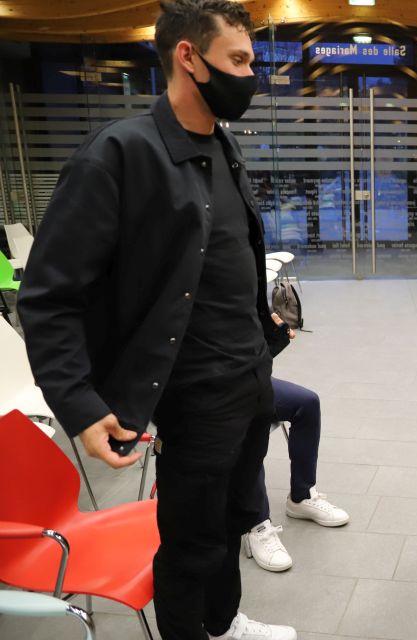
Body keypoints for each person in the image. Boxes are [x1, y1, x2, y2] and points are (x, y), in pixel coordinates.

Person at [17, 1, 298, 638]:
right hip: (191, 397)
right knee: (191, 541)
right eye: (239, 60)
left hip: (246, 381)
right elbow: (47, 296)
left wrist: (263, 329)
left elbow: (217, 263)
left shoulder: (221, 146)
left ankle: (221, 623)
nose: (251, 74)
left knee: (233, 521)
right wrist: (81, 406)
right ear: (188, 57)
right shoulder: (118, 156)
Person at [243, 377, 349, 572]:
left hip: (248, 375)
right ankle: (257, 525)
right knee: (250, 423)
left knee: (307, 403)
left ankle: (301, 496)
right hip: (207, 386)